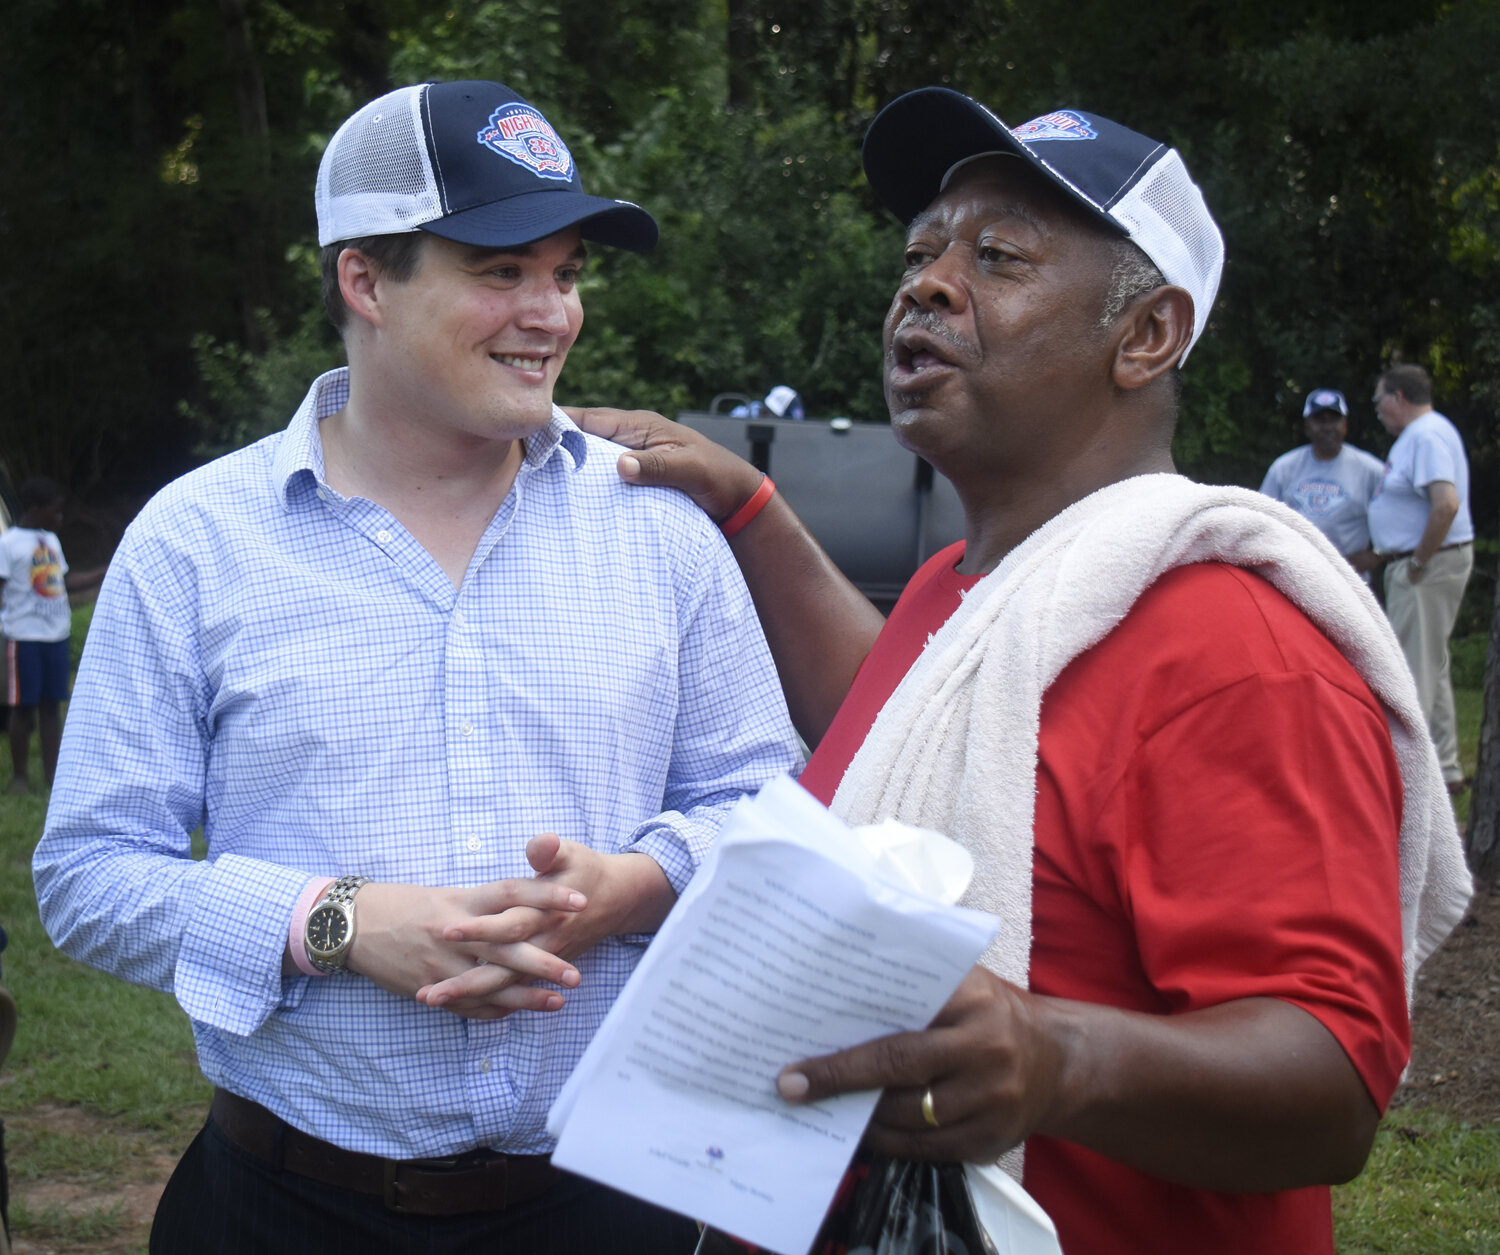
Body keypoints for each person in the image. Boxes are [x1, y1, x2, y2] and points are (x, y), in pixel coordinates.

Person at [573, 89, 1471, 1254]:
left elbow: (1334, 1084)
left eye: (997, 257)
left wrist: (1061, 1056)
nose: (929, 283)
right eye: (921, 251)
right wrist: (748, 505)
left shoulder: (1232, 648)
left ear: (1146, 335)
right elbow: (904, 728)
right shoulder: (970, 584)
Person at [33, 80, 800, 1255]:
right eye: (501, 270)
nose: (549, 311)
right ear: (365, 279)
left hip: (608, 1206)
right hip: (286, 1209)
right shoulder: (197, 541)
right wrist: (336, 920)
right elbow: (88, 876)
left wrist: (635, 888)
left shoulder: (658, 528)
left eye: (568, 271)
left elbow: (765, 804)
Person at [1368, 363, 1475, 794]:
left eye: (1379, 401)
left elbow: (1445, 504)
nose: (1377, 411)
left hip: (1427, 567)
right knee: (1434, 663)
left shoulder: (1427, 435)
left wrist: (1417, 562)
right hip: (1424, 564)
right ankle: (1447, 768)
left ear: (1399, 397)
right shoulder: (1421, 435)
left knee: (1414, 671)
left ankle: (1413, 779)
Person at [0, 477, 106, 793]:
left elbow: (63, 581)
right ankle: (19, 777)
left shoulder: (51, 542)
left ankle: (52, 775)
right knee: (23, 708)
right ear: (35, 508)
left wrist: (102, 572)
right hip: (24, 637)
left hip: (55, 636)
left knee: (52, 707)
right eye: (55, 511)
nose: (60, 517)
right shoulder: (9, 544)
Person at [1258, 387, 1385, 577]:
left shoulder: (1370, 470)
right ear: (1307, 426)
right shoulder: (1284, 468)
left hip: (1349, 578)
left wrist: (1376, 555)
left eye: (1334, 419)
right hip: (1294, 574)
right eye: (1319, 420)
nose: (1327, 426)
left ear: (1345, 424)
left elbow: (1395, 520)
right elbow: (1261, 519)